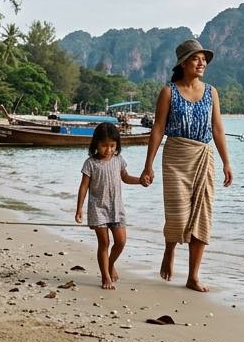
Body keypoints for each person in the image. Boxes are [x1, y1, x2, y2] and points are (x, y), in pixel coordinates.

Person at [139, 39, 233, 292]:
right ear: (183, 63)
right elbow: (158, 129)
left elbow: (217, 128)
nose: (202, 62)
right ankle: (170, 248)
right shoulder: (168, 91)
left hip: (203, 155)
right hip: (176, 157)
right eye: (196, 58)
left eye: (204, 59)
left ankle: (193, 276)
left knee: (202, 215)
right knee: (178, 215)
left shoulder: (211, 92)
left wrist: (226, 162)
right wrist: (148, 165)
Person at [74, 122, 142, 290]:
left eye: (112, 145)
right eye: (104, 146)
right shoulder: (90, 163)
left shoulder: (118, 160)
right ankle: (105, 277)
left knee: (121, 241)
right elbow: (84, 187)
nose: (109, 149)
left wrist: (140, 181)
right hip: (97, 208)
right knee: (104, 243)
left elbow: (125, 177)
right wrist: (79, 209)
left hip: (116, 207)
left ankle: (110, 264)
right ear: (96, 144)